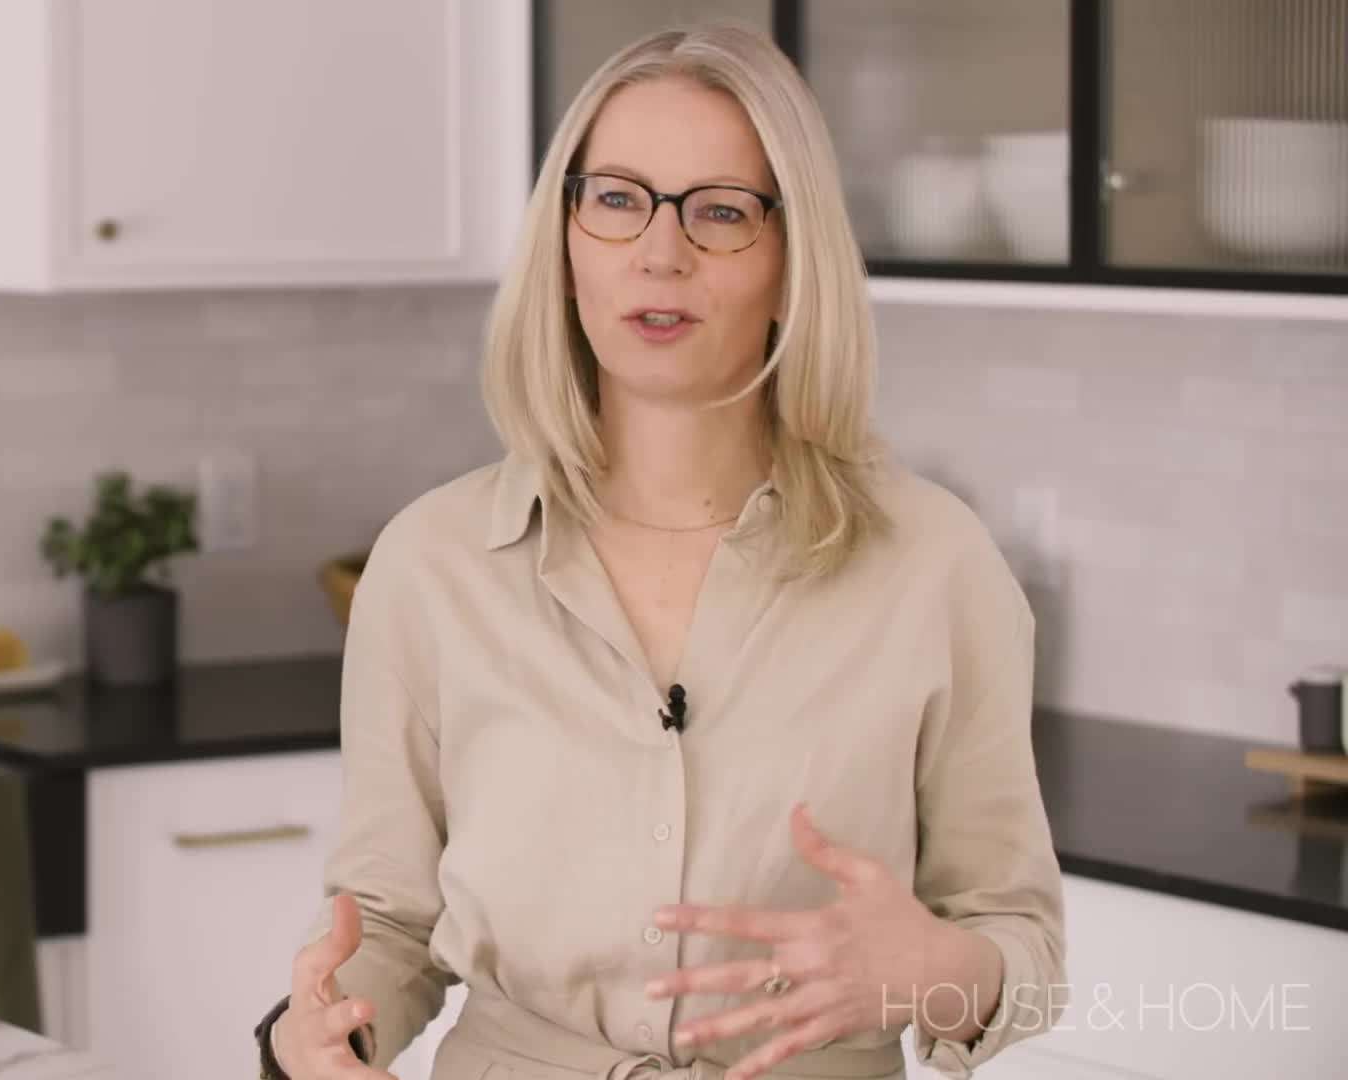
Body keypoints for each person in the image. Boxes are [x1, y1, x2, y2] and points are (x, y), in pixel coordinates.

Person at [253, 21, 1065, 1080]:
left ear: (792, 257)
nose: (661, 252)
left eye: (721, 212)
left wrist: (936, 967)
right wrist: (315, 1036)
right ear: (566, 238)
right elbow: (389, 925)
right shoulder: (432, 565)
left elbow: (1024, 947)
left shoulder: (934, 564)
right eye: (618, 199)